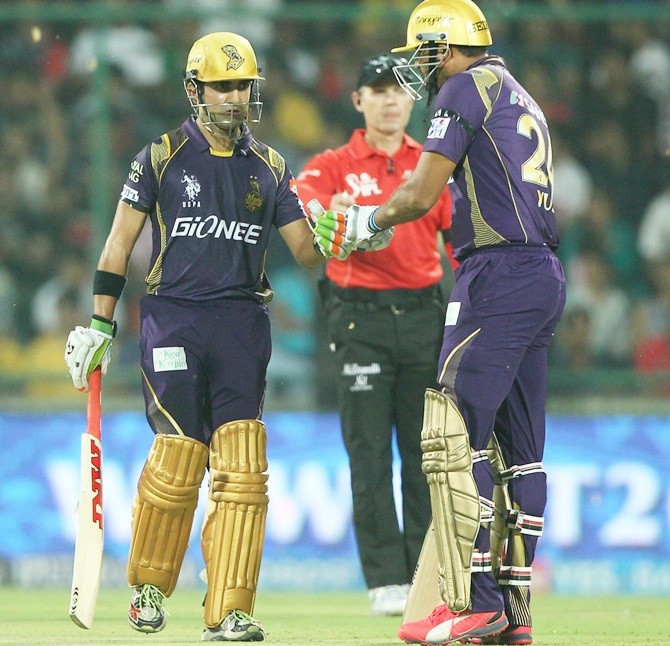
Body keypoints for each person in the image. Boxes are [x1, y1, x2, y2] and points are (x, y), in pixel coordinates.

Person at [63, 32, 352, 643]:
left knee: (245, 469)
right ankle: (147, 588)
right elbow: (118, 243)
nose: (235, 98)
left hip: (243, 325)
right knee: (177, 456)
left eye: (243, 85)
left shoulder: (270, 167)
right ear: (195, 91)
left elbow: (304, 251)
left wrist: (344, 232)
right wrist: (98, 323)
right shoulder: (162, 155)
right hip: (174, 318)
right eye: (222, 87)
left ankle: (228, 611)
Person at [320, 1, 566, 644]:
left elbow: (423, 193)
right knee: (522, 453)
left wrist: (364, 222)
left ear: (444, 47)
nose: (418, 70)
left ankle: (475, 602)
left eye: (423, 53)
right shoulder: (517, 92)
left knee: (451, 435)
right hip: (540, 273)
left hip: (498, 274)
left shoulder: (461, 86)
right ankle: (513, 616)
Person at [295, 53, 455, 617]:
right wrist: (326, 212)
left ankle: (422, 576)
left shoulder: (433, 164)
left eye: (399, 91)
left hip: (423, 320)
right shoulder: (334, 164)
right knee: (367, 454)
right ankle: (386, 580)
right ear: (358, 100)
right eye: (377, 90)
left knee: (423, 456)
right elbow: (301, 201)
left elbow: (459, 241)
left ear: (413, 101)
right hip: (358, 320)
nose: (390, 99)